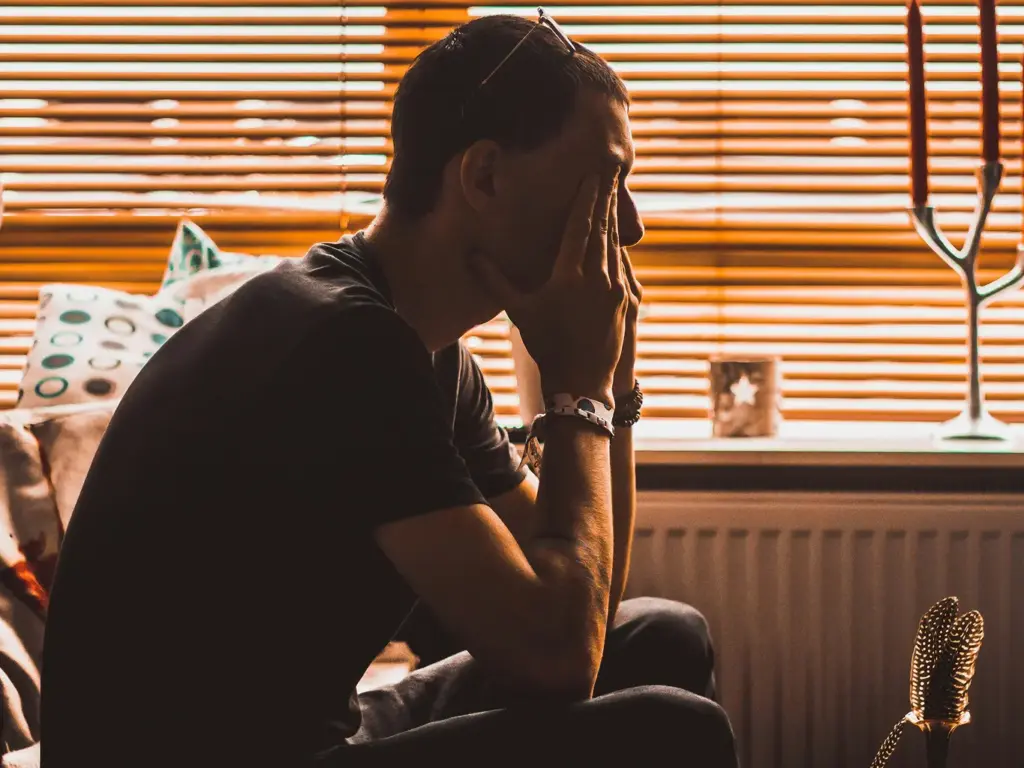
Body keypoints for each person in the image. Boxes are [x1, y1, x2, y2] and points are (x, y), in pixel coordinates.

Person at [40, 12, 738, 768]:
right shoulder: (343, 345)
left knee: (663, 633)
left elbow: (582, 612)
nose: (629, 228)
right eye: (606, 182)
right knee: (675, 728)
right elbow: (558, 655)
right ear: (485, 176)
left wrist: (612, 386)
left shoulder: (424, 353)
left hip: (306, 737)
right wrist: (579, 391)